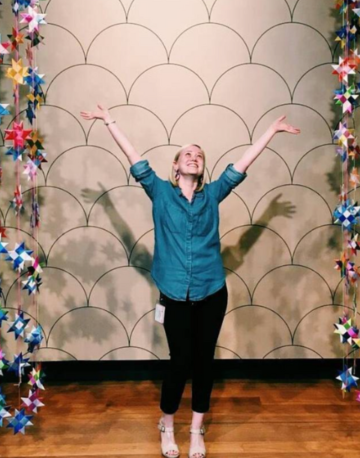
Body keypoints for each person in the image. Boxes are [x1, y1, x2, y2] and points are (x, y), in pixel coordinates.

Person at [80, 104, 300, 458]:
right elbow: (134, 156)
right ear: (176, 166)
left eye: (199, 155)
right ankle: (167, 423)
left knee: (204, 362)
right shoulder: (159, 192)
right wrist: (109, 121)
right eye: (187, 154)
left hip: (212, 291)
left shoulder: (212, 194)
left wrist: (270, 133)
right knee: (179, 361)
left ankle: (196, 429)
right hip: (174, 294)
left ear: (202, 167)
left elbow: (242, 165)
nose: (194, 157)